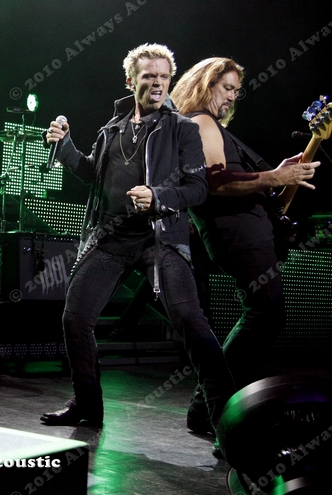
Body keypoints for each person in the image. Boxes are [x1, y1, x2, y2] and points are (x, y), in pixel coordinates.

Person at [40, 44, 235, 436]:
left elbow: (198, 188)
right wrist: (65, 147)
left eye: (164, 77)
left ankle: (227, 418)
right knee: (76, 318)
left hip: (159, 240)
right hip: (110, 238)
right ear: (131, 81)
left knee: (189, 320)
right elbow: (92, 175)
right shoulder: (111, 129)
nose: (158, 83)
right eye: (149, 76)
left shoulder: (182, 128)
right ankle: (87, 404)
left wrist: (158, 197)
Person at [169, 57, 319, 432]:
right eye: (227, 88)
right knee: (264, 312)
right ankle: (209, 405)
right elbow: (216, 182)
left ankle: (206, 406)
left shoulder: (209, 127)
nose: (232, 97)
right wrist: (275, 176)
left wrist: (277, 173)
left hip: (245, 233)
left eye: (236, 91)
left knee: (265, 312)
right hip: (236, 235)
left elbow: (234, 177)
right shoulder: (201, 122)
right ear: (205, 85)